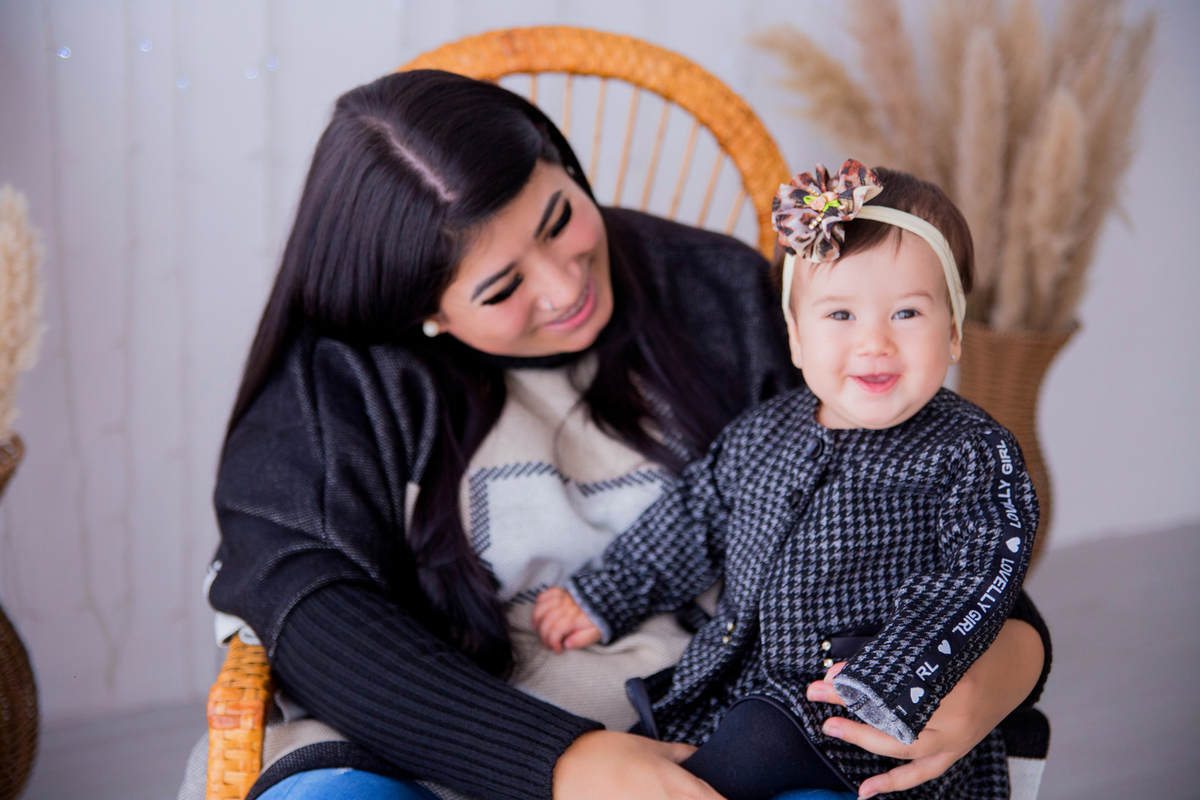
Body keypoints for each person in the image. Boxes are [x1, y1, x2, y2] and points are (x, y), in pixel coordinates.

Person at [203, 70, 1050, 800]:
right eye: (502, 289)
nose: (566, 283)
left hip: (715, 728)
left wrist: (1009, 664)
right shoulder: (340, 381)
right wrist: (564, 760)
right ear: (423, 310)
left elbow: (914, 525)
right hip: (425, 728)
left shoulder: (718, 293)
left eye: (559, 218)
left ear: (564, 165)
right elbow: (311, 611)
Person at [533, 161, 1041, 800]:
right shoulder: (762, 432)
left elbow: (981, 572)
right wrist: (604, 593)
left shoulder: (970, 450)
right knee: (662, 738)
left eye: (907, 313)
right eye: (840, 316)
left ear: (955, 331)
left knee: (749, 746)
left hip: (863, 713)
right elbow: (692, 519)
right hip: (744, 689)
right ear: (796, 338)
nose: (874, 342)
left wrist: (899, 673)